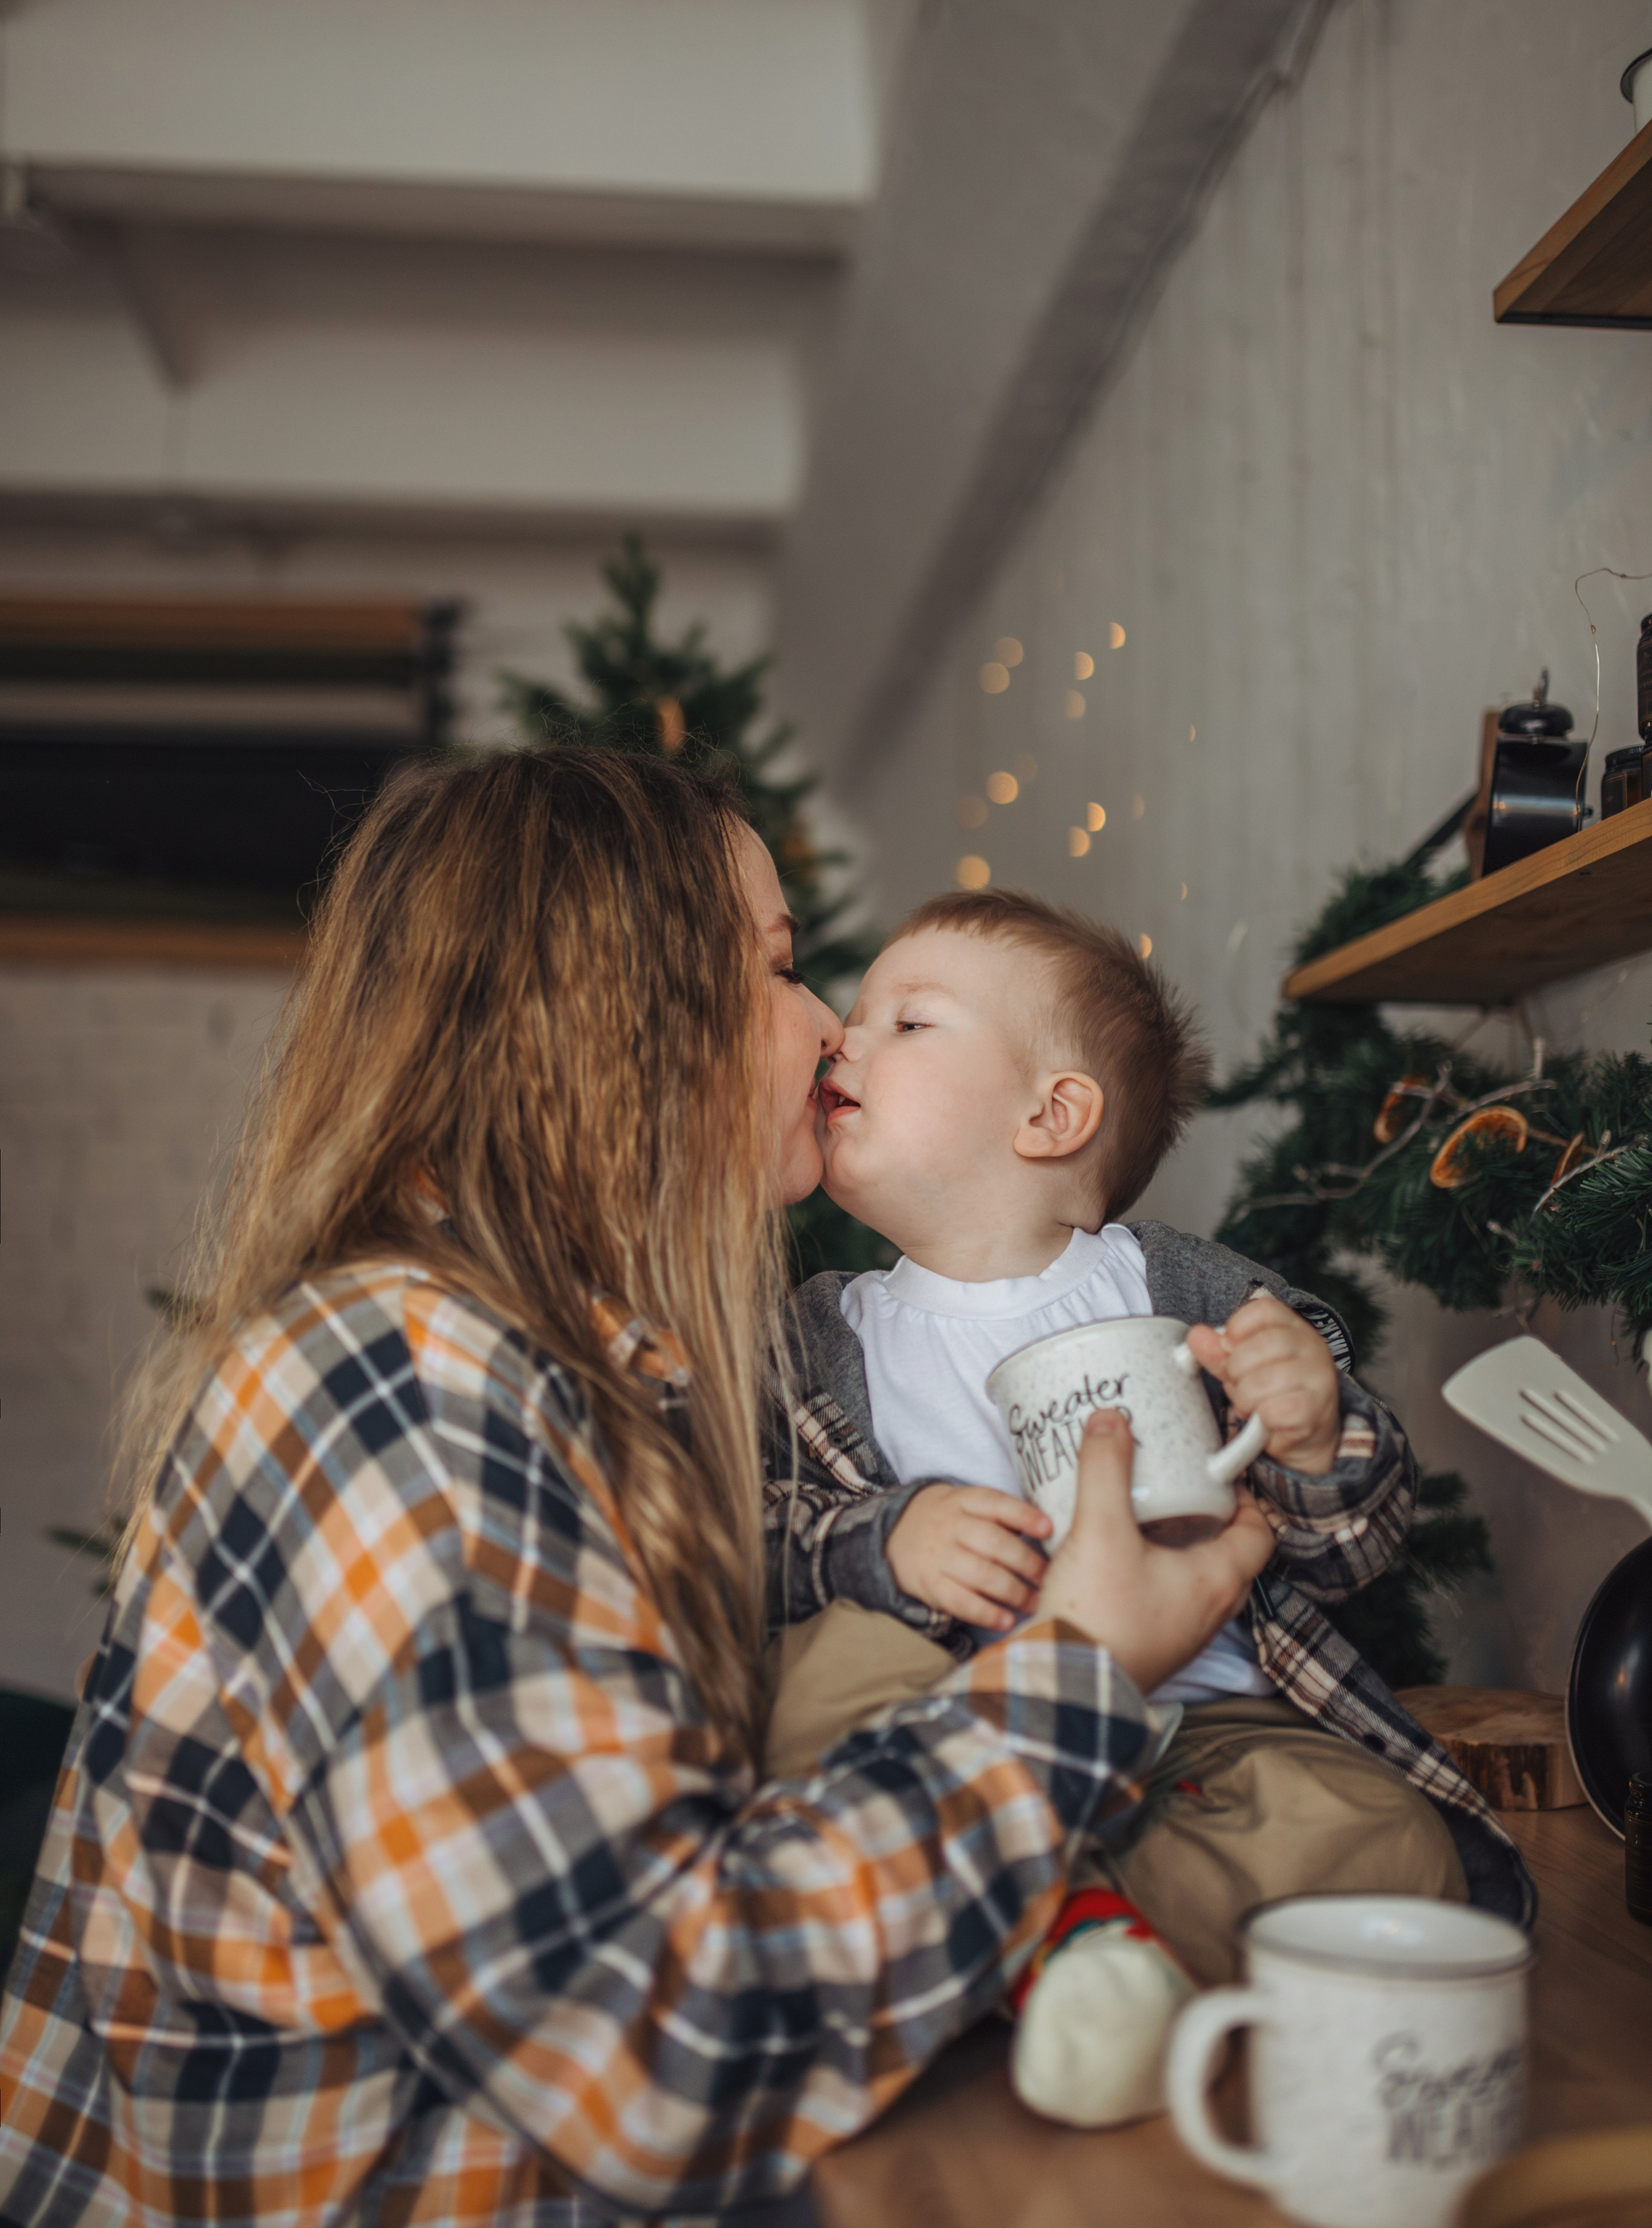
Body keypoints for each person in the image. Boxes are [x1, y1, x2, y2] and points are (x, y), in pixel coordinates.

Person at [0, 750, 1275, 2227]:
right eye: (784, 970)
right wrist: (1082, 1672)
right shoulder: (416, 1392)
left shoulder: (580, 1368)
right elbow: (658, 2056)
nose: (825, 1028)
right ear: (618, 1010)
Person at [761, 886, 1535, 2128]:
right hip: (954, 1730)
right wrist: (881, 1543)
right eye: (856, 1018)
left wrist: (1310, 1428)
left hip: (1205, 1726)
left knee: (1387, 1837)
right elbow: (740, 1546)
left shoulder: (1178, 1287)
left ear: (1052, 1114)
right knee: (817, 1675)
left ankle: (1084, 1950)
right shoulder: (809, 1335)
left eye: (906, 1023)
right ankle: (1074, 1939)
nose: (844, 1041)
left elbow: (1349, 1545)